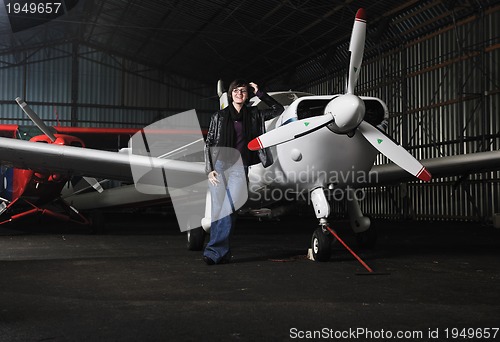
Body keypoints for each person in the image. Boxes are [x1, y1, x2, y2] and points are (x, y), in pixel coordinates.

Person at [203, 79, 284, 265]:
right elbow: (209, 143)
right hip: (220, 166)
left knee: (229, 207)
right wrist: (209, 169)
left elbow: (278, 110)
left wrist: (260, 93)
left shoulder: (255, 114)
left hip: (240, 167)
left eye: (244, 91)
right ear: (231, 93)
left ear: (247, 95)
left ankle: (214, 250)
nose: (239, 93)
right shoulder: (219, 116)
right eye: (236, 91)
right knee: (218, 211)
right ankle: (220, 253)